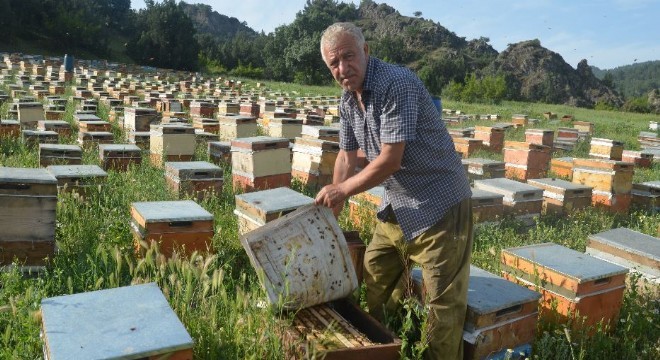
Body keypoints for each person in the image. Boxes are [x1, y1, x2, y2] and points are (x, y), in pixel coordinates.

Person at [315, 22, 473, 360]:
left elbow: (390, 160)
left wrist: (342, 191)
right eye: (334, 63)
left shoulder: (395, 84)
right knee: (376, 274)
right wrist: (332, 211)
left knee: (441, 308)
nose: (343, 69)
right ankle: (387, 348)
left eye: (348, 56)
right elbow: (346, 154)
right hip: (398, 204)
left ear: (366, 50)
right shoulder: (347, 100)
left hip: (438, 205)